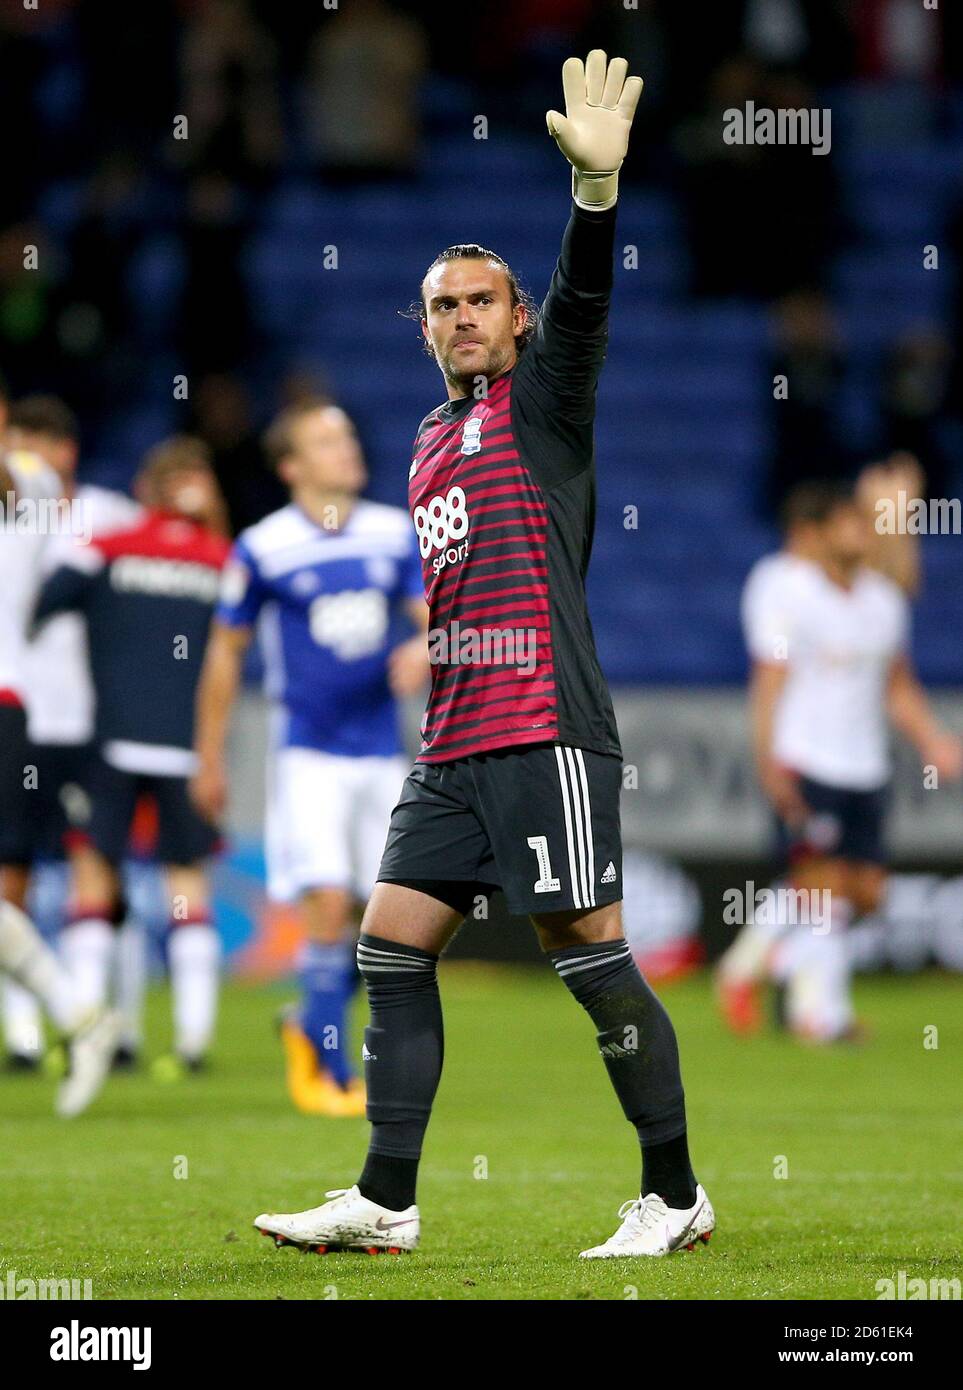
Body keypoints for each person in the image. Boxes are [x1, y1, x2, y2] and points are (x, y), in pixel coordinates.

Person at [254, 51, 715, 1260]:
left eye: (483, 301)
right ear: (425, 327)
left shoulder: (546, 396)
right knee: (389, 945)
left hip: (542, 725)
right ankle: (386, 1200)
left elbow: (589, 304)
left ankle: (673, 1193)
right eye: (445, 305)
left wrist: (595, 199)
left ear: (517, 319)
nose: (464, 317)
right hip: (452, 741)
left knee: (589, 954)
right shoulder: (421, 440)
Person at [193, 400, 428, 1116]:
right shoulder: (263, 547)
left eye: (348, 436)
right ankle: (327, 1071)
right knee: (326, 900)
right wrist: (210, 757)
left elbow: (433, 617)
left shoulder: (394, 532)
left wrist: (425, 644)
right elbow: (225, 656)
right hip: (308, 756)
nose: (346, 449)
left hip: (379, 755)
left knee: (381, 920)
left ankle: (306, 1018)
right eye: (326, 441)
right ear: (292, 466)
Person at [722, 482, 961, 1040]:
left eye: (865, 524)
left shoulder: (881, 601)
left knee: (867, 893)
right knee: (821, 891)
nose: (862, 533)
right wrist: (769, 757)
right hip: (808, 757)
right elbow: (769, 677)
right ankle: (822, 1015)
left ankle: (753, 964)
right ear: (819, 534)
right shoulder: (787, 587)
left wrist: (932, 740)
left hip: (865, 765)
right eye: (850, 523)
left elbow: (898, 684)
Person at [32, 438, 231, 1072]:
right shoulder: (223, 559)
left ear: (146, 490)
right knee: (187, 890)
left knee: (95, 885)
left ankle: (87, 1036)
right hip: (185, 750)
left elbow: (41, 607)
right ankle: (193, 1047)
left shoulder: (108, 549)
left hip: (109, 742)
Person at [3, 394, 143, 1069]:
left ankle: (94, 1018)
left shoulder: (98, 512)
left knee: (97, 866)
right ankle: (29, 1035)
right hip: (28, 715)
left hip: (87, 718)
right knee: (13, 876)